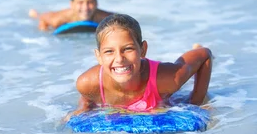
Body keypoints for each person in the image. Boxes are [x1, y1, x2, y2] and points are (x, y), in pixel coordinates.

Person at [74, 13, 212, 112]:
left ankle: (195, 47)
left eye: (127, 49)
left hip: (153, 83)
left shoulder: (168, 79)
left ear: (143, 49)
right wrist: (83, 107)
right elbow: (89, 96)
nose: (119, 59)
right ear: (98, 56)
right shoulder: (87, 83)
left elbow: (205, 55)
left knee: (180, 70)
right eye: (109, 51)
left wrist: (197, 102)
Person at [29, 0, 112, 31]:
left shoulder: (105, 18)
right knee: (36, 15)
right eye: (80, 2)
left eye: (89, 2)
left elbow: (122, 21)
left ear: (96, 3)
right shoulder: (58, 20)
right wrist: (44, 30)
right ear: (71, 4)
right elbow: (43, 18)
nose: (85, 7)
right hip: (56, 17)